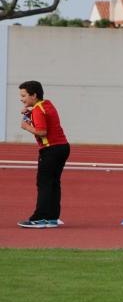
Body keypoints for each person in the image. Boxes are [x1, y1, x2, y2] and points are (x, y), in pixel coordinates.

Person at [17, 81, 70, 228]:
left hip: (51, 149)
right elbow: (42, 114)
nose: (21, 99)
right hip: (62, 147)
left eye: (24, 95)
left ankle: (39, 218)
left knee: (44, 183)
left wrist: (26, 126)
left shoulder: (38, 110)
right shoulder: (46, 104)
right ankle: (52, 218)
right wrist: (28, 111)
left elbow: (42, 131)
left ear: (34, 95)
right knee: (54, 183)